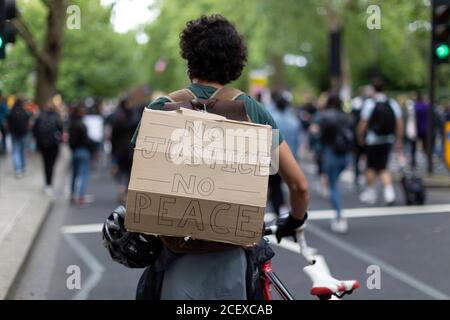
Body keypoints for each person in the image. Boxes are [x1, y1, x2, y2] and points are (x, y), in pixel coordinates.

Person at [130, 15, 309, 300]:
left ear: (189, 61)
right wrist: (295, 219)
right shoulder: (253, 110)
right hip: (233, 261)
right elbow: (299, 185)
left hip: (175, 258)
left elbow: (141, 176)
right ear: (234, 64)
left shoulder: (162, 108)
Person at [358, 78, 403, 205]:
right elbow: (399, 122)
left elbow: (363, 122)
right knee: (383, 166)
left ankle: (371, 192)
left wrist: (360, 137)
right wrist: (399, 138)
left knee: (371, 167)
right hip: (388, 139)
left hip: (373, 140)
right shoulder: (392, 102)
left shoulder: (369, 103)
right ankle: (389, 193)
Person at [315, 93, 353, 233]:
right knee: (334, 183)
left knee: (333, 186)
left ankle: (339, 216)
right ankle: (338, 215)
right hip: (345, 154)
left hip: (331, 152)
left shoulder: (325, 116)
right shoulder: (346, 116)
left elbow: (321, 137)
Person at [110, 98, 140, 204]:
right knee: (129, 172)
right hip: (131, 150)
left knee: (121, 171)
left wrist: (112, 152)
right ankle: (126, 192)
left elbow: (113, 137)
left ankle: (120, 188)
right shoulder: (135, 118)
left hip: (120, 150)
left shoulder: (117, 118)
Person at [33, 97, 63, 196]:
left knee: (46, 164)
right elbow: (61, 130)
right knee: (51, 165)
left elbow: (35, 131)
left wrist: (37, 145)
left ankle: (47, 184)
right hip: (54, 145)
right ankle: (49, 184)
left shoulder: (40, 116)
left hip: (43, 145)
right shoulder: (57, 116)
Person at [68, 105, 96, 206]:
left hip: (74, 151)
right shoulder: (82, 125)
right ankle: (80, 197)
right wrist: (93, 146)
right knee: (83, 174)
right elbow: (86, 140)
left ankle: (72, 194)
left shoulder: (71, 124)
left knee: (74, 174)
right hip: (83, 151)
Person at [7, 99, 31, 178]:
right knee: (22, 151)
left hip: (14, 134)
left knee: (16, 151)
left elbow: (8, 122)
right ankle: (22, 167)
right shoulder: (25, 112)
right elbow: (28, 123)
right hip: (23, 134)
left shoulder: (11, 112)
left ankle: (18, 169)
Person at [411, 91, 430, 169]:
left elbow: (413, 119)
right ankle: (428, 163)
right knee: (425, 147)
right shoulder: (426, 106)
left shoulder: (415, 106)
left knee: (413, 148)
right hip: (425, 129)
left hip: (416, 129)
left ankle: (413, 163)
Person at [0, 91, 9, 155]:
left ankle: (3, 149)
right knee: (4, 137)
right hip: (3, 123)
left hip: (2, 123)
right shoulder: (4, 106)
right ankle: (4, 150)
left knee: (3, 137)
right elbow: (7, 114)